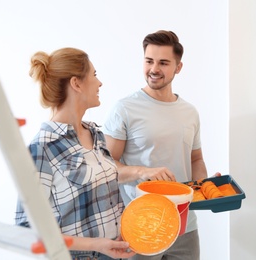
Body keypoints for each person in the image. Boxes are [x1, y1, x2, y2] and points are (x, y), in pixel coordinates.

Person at [103, 30, 217, 260]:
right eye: (149, 61)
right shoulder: (125, 109)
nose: (154, 69)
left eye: (163, 62)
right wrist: (143, 172)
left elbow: (195, 159)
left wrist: (205, 186)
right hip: (141, 225)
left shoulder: (189, 112)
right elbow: (106, 168)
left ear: (178, 67)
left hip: (185, 226)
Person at [15, 47, 135, 260]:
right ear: (76, 83)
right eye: (94, 75)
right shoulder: (42, 148)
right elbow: (27, 231)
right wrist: (95, 245)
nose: (100, 83)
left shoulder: (96, 134)